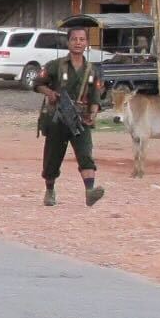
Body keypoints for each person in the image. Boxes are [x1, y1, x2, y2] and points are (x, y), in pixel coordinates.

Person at [35, 20, 108, 207]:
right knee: (52, 157)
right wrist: (50, 93)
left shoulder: (92, 70)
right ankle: (50, 190)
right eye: (74, 39)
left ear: (86, 43)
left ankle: (90, 192)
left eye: (82, 39)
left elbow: (96, 97)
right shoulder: (56, 65)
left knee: (86, 155)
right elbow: (36, 83)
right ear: (68, 43)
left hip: (80, 119)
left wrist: (92, 114)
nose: (78, 42)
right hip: (57, 119)